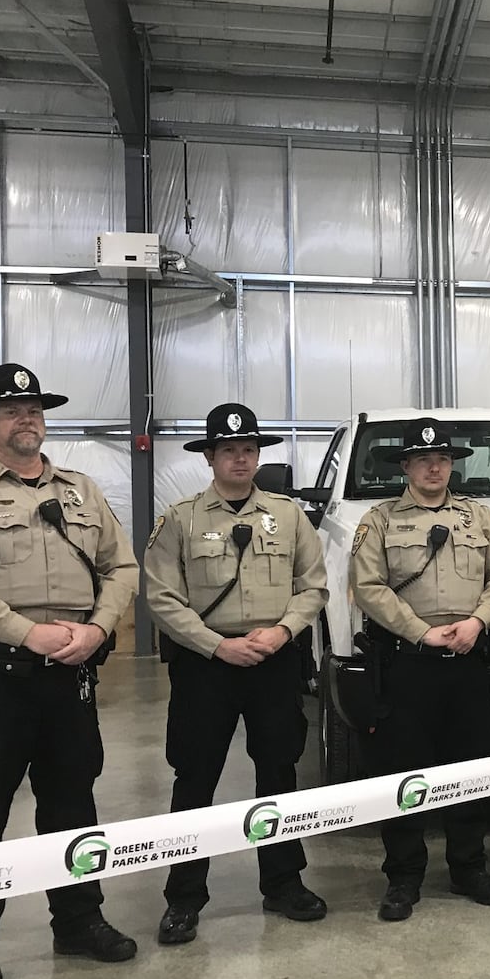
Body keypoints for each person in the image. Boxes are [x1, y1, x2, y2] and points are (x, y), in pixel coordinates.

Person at [0, 363, 139, 979]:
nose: (26, 419)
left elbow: (120, 566)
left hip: (69, 678)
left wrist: (97, 629)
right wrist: (26, 632)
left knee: (73, 805)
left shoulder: (81, 491)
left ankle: (77, 920)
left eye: (34, 408)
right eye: (11, 410)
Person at [143, 402, 330, 945]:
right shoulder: (179, 519)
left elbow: (313, 585)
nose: (241, 459)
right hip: (208, 668)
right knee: (194, 777)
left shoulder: (289, 516)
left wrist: (282, 633)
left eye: (249, 449)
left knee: (279, 772)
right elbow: (162, 596)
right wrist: (215, 645)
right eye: (229, 450)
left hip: (273, 661)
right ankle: (183, 897)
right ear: (210, 457)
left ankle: (283, 882)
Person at [349, 418, 490, 921]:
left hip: (467, 661)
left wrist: (478, 621)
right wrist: (418, 631)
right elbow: (369, 586)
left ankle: (469, 867)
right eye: (423, 459)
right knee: (402, 771)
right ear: (405, 466)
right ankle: (404, 875)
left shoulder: (478, 517)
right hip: (407, 663)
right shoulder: (378, 521)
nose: (433, 466)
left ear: (452, 465)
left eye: (442, 459)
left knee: (470, 768)